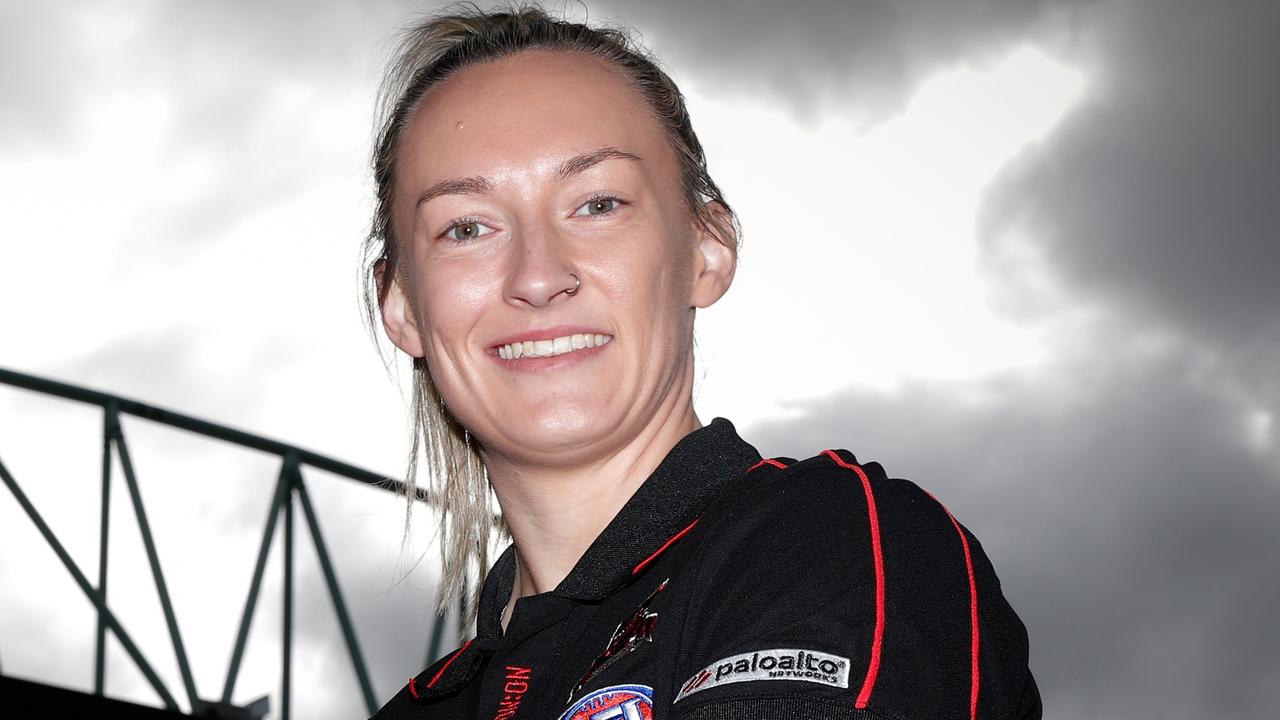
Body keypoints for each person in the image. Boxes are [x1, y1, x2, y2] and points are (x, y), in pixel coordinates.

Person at [364, 5, 1041, 719]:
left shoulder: (830, 548)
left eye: (597, 204)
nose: (536, 276)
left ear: (708, 251)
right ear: (403, 305)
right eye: (466, 228)